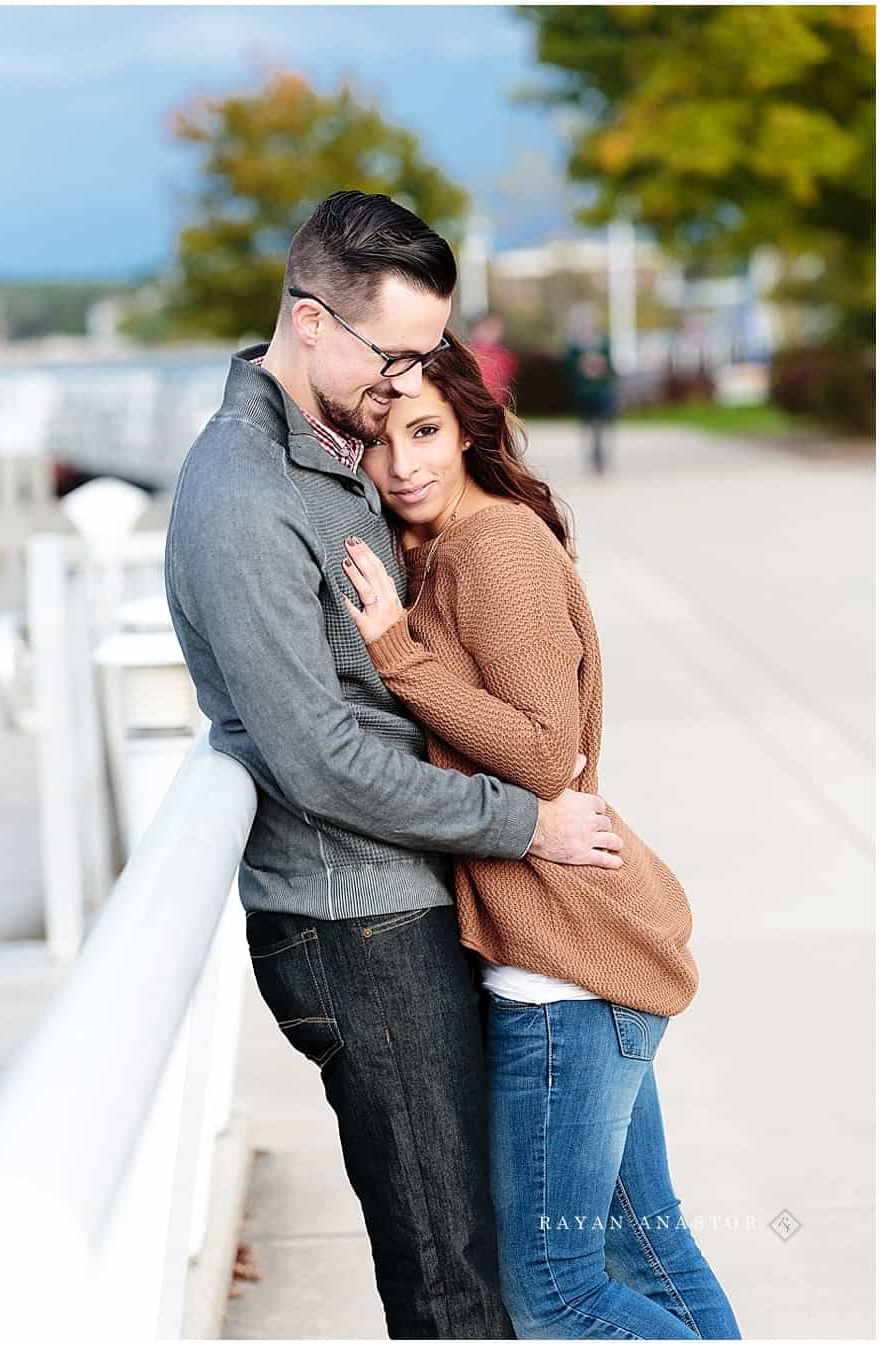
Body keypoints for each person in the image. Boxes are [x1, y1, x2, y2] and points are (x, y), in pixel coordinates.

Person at [164, 190, 627, 1340]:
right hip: (352, 928)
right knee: (451, 1284)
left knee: (502, 1257)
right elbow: (319, 759)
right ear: (311, 320)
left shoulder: (335, 447)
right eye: (398, 355)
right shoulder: (243, 497)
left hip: (410, 902)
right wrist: (527, 822)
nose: (410, 380)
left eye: (429, 353)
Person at [342, 332, 743, 1340]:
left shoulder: (497, 549)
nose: (405, 465)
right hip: (580, 968)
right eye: (381, 442)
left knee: (557, 1293)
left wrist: (396, 651)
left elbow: (540, 751)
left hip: (561, 984)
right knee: (643, 1252)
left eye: (427, 431)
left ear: (470, 426)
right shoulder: (452, 548)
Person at [564, 308, 617, 475]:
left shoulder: (603, 343)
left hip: (601, 391)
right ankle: (592, 456)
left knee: (601, 426)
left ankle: (600, 457)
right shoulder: (574, 347)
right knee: (588, 425)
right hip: (584, 393)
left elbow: (611, 366)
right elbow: (568, 368)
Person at [468, 312, 519, 406]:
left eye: (495, 329)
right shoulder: (467, 352)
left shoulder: (504, 357)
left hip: (495, 405)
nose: (490, 333)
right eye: (487, 328)